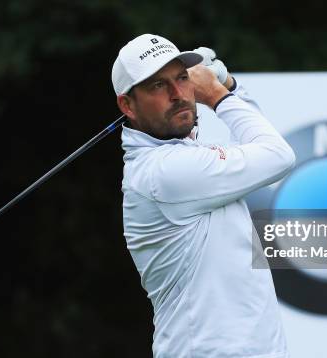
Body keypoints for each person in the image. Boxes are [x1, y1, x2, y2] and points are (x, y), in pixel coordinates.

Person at [112, 34, 295, 358]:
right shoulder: (163, 173)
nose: (178, 94)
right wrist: (216, 93)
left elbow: (258, 142)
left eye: (182, 79)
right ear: (128, 105)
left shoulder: (181, 154)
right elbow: (277, 155)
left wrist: (231, 88)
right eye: (157, 86)